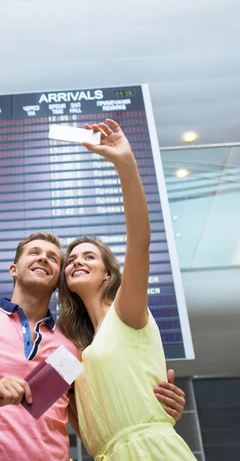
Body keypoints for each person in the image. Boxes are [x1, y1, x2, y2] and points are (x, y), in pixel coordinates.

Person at [0, 225, 185, 459]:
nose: (43, 258)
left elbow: (94, 418)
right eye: (34, 253)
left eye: (52, 257)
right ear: (14, 269)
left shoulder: (72, 347)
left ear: (59, 280)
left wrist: (156, 405)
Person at [58, 118, 196, 460]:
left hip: (154, 450)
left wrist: (125, 165)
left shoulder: (127, 312)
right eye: (71, 259)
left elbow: (140, 242)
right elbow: (42, 407)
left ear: (108, 274)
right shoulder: (75, 351)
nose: (76, 261)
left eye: (88, 257)